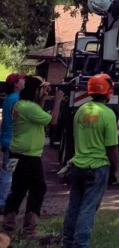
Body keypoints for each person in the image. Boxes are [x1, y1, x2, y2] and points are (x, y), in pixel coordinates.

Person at [2, 76, 63, 239]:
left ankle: (7, 228)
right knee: (39, 188)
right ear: (34, 90)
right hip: (28, 156)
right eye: (41, 89)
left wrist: (41, 100)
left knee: (17, 189)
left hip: (15, 153)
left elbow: (38, 118)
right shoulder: (29, 108)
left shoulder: (19, 105)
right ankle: (30, 230)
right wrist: (57, 101)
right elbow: (53, 121)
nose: (44, 91)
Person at [62, 74, 119, 248]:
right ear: (108, 92)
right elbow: (111, 146)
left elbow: (73, 138)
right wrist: (116, 170)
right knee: (88, 209)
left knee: (74, 207)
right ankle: (81, 245)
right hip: (97, 168)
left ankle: (67, 243)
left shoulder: (80, 111)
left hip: (77, 165)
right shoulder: (108, 114)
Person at [0, 73, 26, 214]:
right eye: (22, 80)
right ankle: (3, 203)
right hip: (12, 142)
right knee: (9, 173)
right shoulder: (17, 100)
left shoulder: (10, 98)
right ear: (16, 84)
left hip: (7, 141)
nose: (24, 81)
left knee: (7, 171)